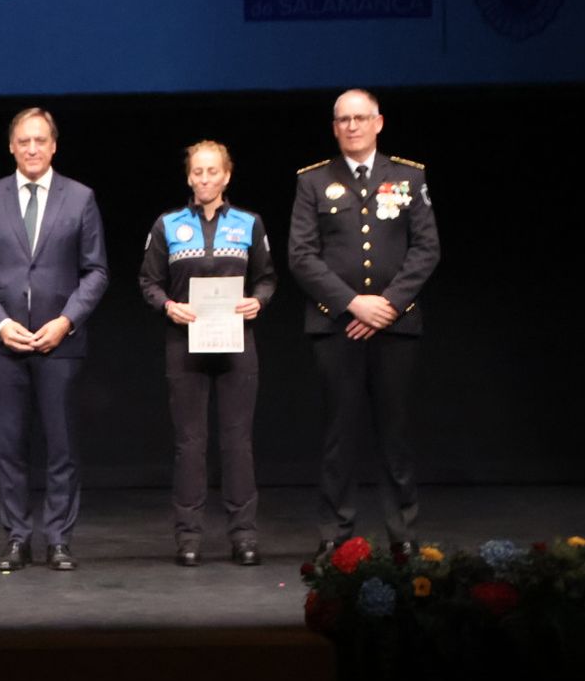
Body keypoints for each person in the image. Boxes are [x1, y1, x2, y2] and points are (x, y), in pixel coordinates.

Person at [288, 89, 440, 559]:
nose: (352, 126)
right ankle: (336, 529)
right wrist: (354, 304)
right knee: (340, 430)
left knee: (394, 431)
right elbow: (301, 255)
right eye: (343, 120)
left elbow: (426, 249)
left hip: (396, 326)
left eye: (360, 118)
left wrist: (387, 305)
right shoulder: (314, 181)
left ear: (379, 122)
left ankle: (403, 530)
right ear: (334, 128)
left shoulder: (408, 177)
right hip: (337, 326)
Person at [0, 108, 108, 571]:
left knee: (61, 446)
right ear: (11, 146)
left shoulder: (80, 197)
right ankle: (16, 537)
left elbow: (97, 271)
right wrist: (1, 324)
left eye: (40, 140)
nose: (31, 148)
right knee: (10, 446)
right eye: (23, 141)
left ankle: (59, 538)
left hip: (59, 342)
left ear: (54, 145)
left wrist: (66, 321)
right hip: (3, 343)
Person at [138, 141, 275, 567]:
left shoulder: (249, 223)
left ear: (227, 176)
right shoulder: (168, 224)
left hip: (236, 342)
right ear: (188, 177)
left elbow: (268, 278)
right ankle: (189, 536)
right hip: (185, 344)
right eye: (197, 172)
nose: (204, 179)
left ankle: (243, 536)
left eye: (212, 171)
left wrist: (259, 301)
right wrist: (168, 305)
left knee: (238, 442)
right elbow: (148, 282)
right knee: (190, 444)